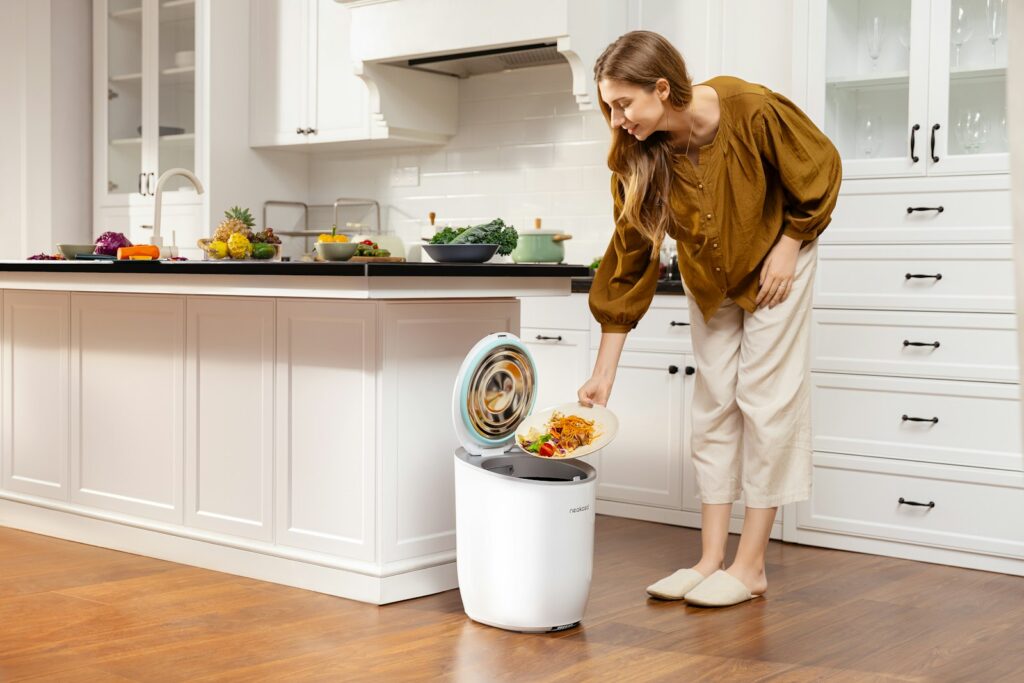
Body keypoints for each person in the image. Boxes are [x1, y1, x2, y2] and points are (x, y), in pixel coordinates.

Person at [578, 30, 842, 608]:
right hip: (712, 278)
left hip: (776, 261)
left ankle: (750, 568)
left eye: (623, 103)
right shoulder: (639, 155)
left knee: (766, 400)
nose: (617, 119)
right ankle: (708, 561)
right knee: (713, 406)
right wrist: (604, 374)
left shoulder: (749, 109)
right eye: (609, 106)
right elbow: (629, 257)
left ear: (663, 88)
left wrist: (792, 243)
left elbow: (819, 167)